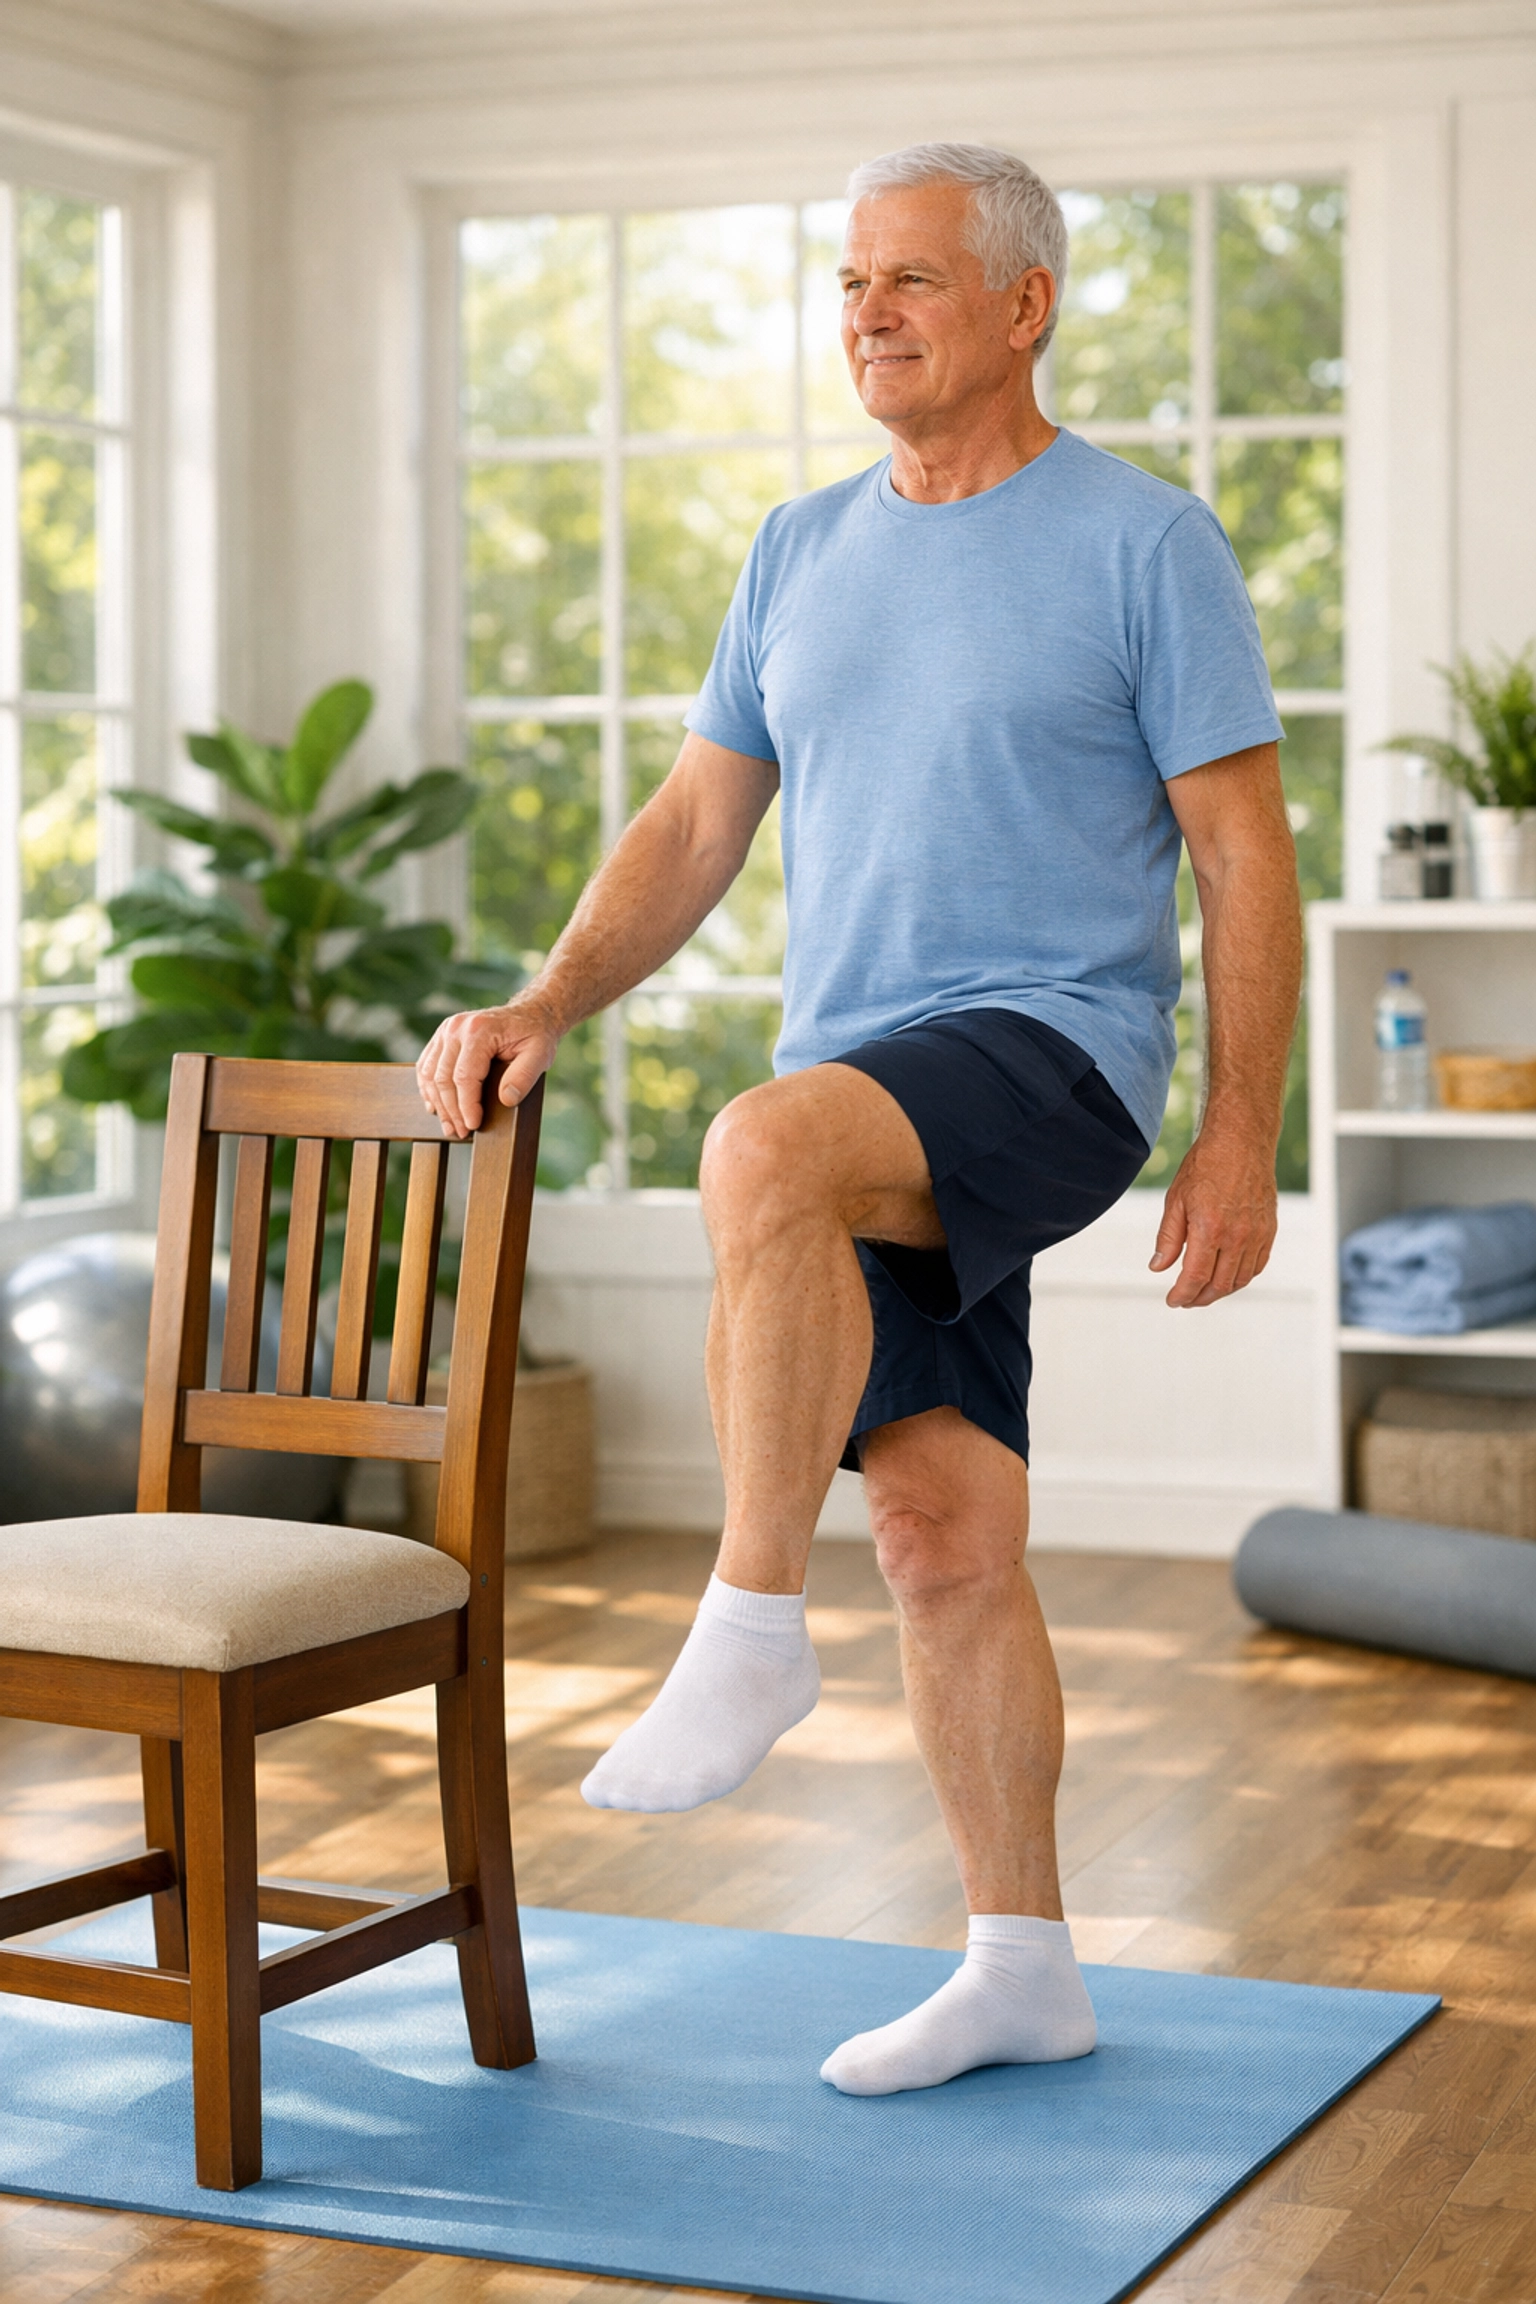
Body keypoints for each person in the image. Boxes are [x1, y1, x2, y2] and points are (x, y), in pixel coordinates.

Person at [416, 141, 1303, 2097]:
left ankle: (742, 1621)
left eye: (909, 278)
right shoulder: (799, 548)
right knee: (939, 1531)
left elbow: (1243, 854)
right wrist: (550, 996)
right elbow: (694, 823)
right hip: (877, 1086)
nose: (868, 314)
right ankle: (1023, 1965)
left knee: (760, 1146)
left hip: (1058, 1052)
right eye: (846, 284)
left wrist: (1243, 1130)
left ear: (1021, 304)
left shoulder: (1142, 541)